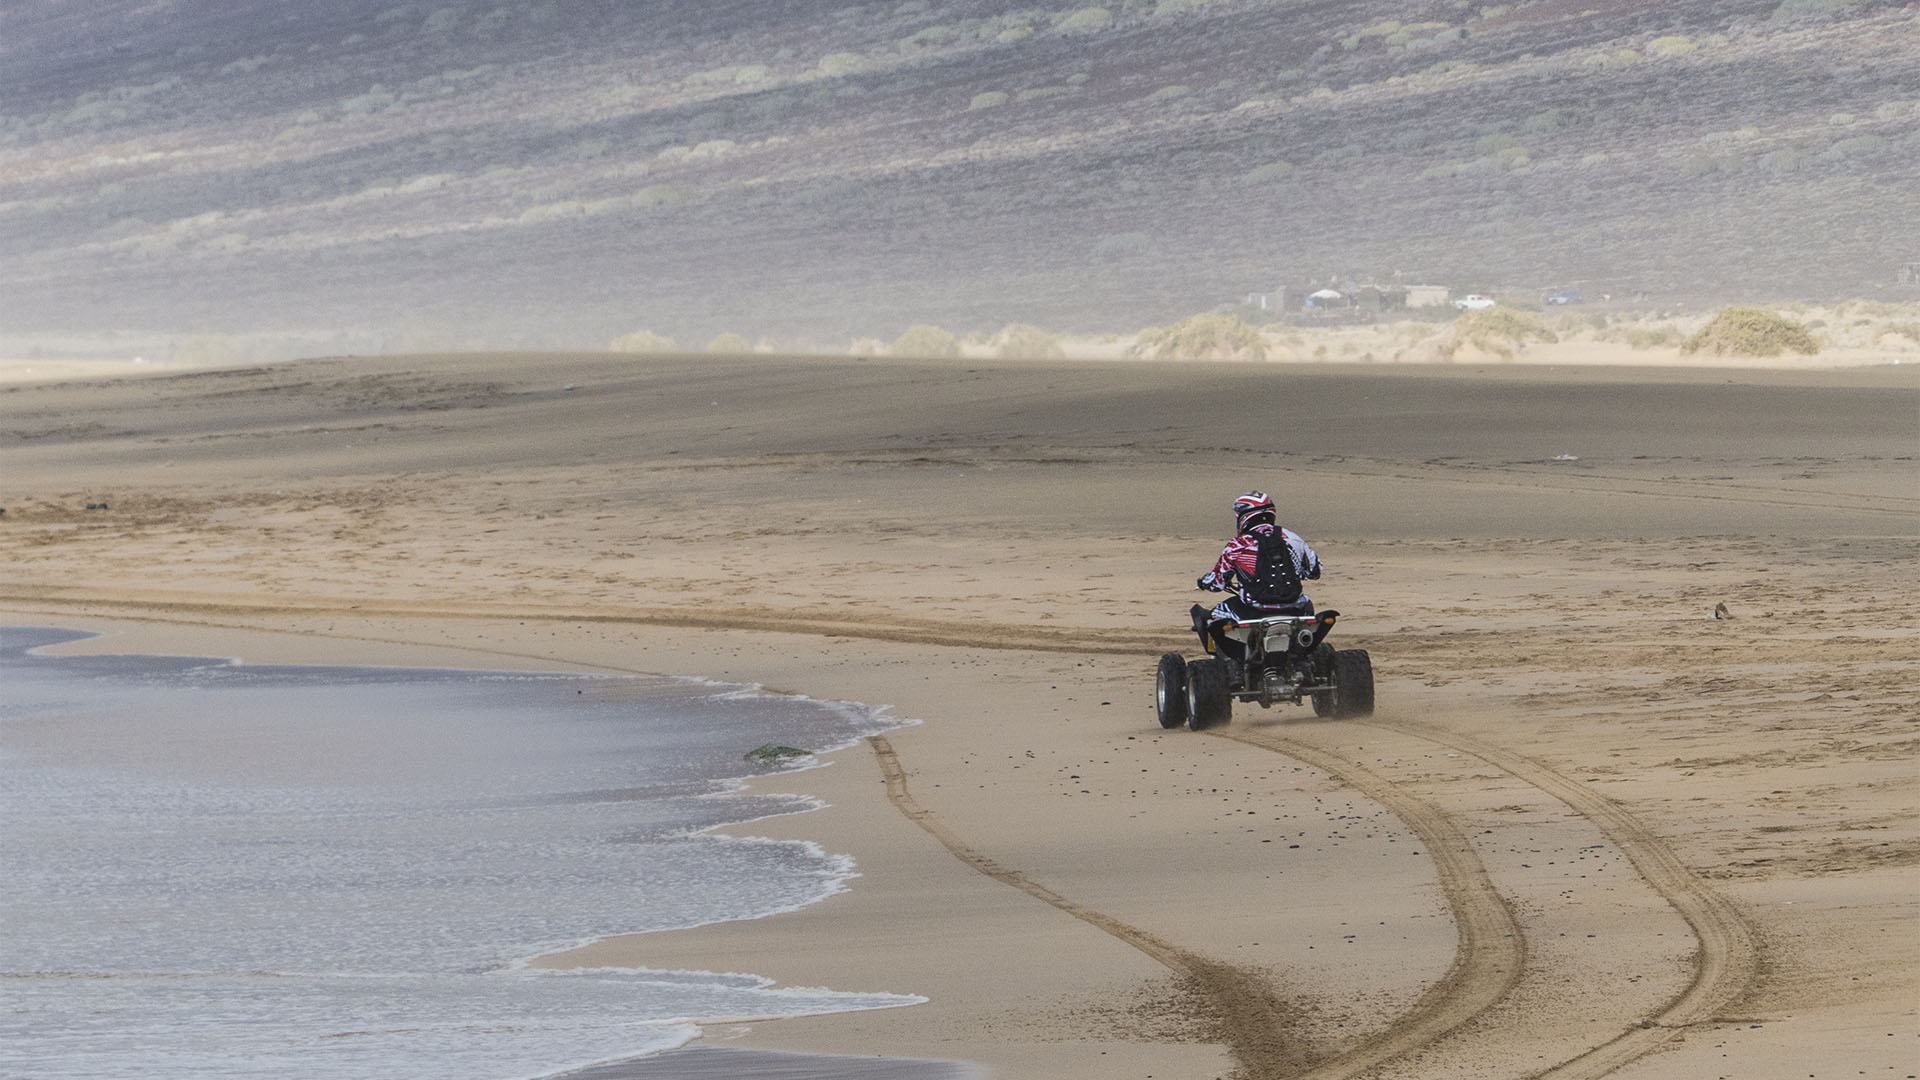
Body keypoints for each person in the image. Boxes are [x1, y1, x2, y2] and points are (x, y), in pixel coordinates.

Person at [1192, 490, 1321, 660]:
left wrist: (1203, 582)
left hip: (1254, 609)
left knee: (1214, 617)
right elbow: (1314, 571)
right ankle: (1307, 660)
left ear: (1244, 516)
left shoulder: (1238, 545)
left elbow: (1218, 582)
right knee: (1309, 611)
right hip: (1295, 607)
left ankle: (1231, 667)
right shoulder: (1292, 538)